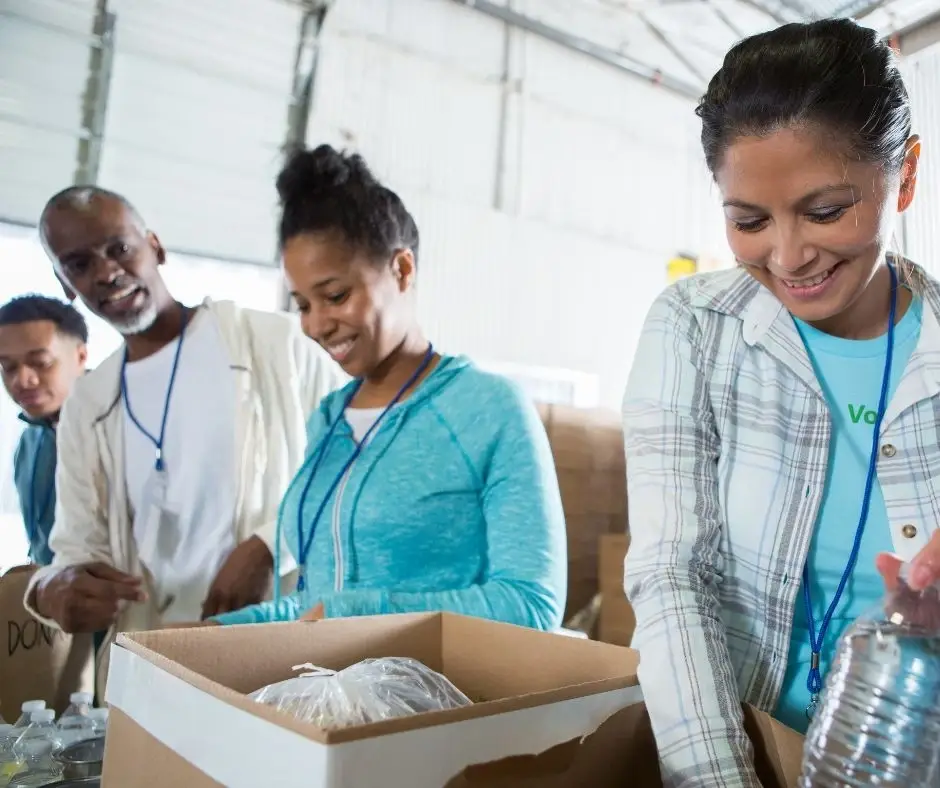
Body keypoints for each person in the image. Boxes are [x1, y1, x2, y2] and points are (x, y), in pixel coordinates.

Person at [623, 18, 939, 786]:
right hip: (747, 750)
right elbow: (672, 578)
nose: (790, 256)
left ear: (903, 176)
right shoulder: (697, 329)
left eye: (827, 211)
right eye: (749, 221)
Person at [210, 145, 567, 629]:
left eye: (335, 296)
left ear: (401, 270)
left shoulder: (487, 409)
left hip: (436, 700)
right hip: (324, 696)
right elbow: (316, 603)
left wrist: (351, 614)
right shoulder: (329, 418)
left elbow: (531, 606)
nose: (316, 326)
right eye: (303, 304)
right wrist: (220, 634)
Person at [22, 185, 345, 694]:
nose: (106, 272)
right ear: (66, 284)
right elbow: (76, 547)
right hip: (156, 666)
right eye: (79, 264)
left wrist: (267, 546)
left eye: (119, 248)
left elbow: (352, 470)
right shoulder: (89, 402)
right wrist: (48, 591)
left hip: (281, 657)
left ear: (155, 246)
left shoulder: (274, 346)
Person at [0, 296, 88, 566]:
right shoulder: (30, 439)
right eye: (7, 367)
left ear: (80, 356)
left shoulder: (124, 427)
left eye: (41, 362)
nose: (22, 380)